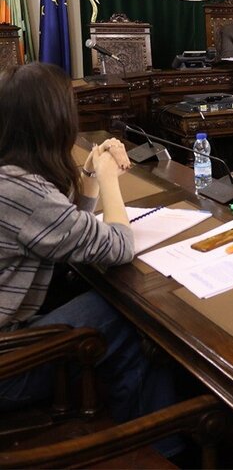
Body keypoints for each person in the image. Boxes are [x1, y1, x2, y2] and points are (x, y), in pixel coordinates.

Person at [0, 63, 177, 437]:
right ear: (55, 122)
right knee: (128, 311)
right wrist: (111, 180)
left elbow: (64, 231)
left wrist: (91, 177)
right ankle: (158, 445)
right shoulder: (23, 193)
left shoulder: (10, 177)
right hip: (8, 369)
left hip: (12, 335)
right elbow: (118, 246)